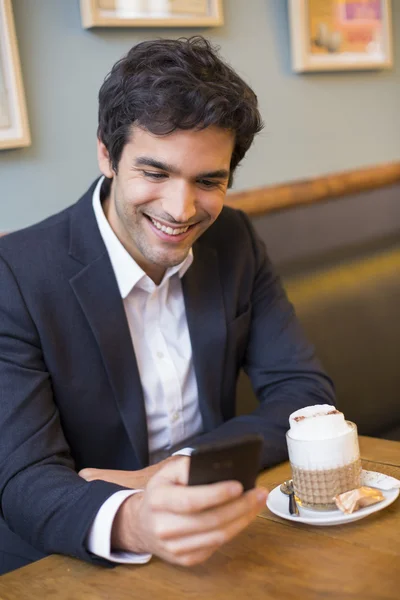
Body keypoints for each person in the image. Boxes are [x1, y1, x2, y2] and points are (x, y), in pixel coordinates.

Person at [0, 36, 335, 575]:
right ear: (107, 155)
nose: (180, 210)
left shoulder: (235, 238)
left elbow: (304, 395)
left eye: (208, 181)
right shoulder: (13, 274)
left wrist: (172, 474)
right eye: (155, 173)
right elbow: (22, 479)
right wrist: (134, 516)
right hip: (65, 556)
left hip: (218, 532)